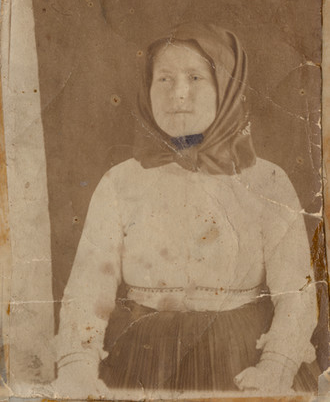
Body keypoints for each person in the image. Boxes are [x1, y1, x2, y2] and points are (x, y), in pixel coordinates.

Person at [55, 22, 319, 397]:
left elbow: (297, 295)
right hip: (142, 361)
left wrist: (275, 366)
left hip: (239, 360)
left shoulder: (267, 181)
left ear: (227, 88)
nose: (179, 94)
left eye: (195, 77)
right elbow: (86, 292)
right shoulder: (121, 182)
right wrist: (78, 367)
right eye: (164, 79)